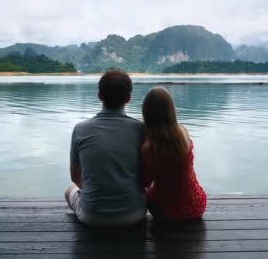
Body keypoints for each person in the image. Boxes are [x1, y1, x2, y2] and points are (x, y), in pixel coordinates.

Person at [65, 69, 146, 227]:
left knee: (70, 190)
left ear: (100, 96)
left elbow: (75, 177)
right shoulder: (141, 130)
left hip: (91, 217)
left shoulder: (80, 129)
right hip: (134, 214)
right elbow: (146, 178)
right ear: (128, 98)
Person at [141, 87, 206, 221]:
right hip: (196, 206)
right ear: (172, 111)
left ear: (146, 113)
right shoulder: (183, 133)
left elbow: (146, 182)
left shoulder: (148, 148)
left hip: (163, 212)